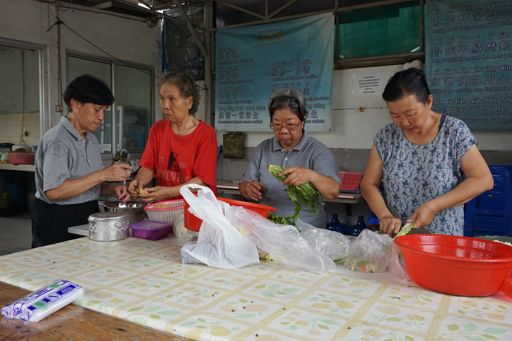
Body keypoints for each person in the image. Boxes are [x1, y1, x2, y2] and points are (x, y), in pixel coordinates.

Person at [360, 68, 494, 236]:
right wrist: (384, 215)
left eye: (411, 114)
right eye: (395, 116)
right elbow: (368, 184)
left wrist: (434, 206)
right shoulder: (386, 137)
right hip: (399, 239)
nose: (405, 122)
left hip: (442, 239)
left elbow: (483, 179)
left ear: (429, 102)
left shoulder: (454, 132)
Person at [32, 75, 132, 247]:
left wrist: (112, 187)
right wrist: (103, 174)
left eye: (104, 111)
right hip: (57, 217)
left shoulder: (91, 139)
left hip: (87, 212)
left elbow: (89, 182)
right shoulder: (58, 140)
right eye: (97, 109)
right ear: (76, 105)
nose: (102, 117)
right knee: (57, 269)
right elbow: (54, 191)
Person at [239, 89, 339, 228]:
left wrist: (310, 175)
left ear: (303, 122)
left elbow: (333, 192)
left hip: (306, 232)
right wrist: (248, 188)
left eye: (290, 124)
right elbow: (244, 183)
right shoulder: (263, 149)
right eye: (277, 125)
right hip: (268, 227)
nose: (283, 130)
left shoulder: (317, 151)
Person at [118, 72, 217, 202]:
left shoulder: (205, 134)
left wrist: (168, 192)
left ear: (189, 102)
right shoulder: (157, 129)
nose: (165, 105)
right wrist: (138, 181)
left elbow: (202, 181)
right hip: (164, 207)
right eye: (162, 98)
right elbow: (148, 167)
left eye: (171, 99)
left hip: (196, 209)